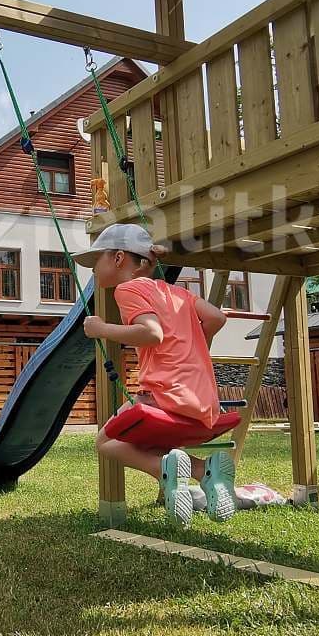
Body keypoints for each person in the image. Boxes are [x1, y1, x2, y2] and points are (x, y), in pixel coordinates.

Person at [77, 224, 237, 526]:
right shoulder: (177, 292)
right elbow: (217, 317)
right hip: (203, 403)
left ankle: (164, 471)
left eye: (96, 260)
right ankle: (204, 471)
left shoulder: (128, 289)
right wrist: (192, 348)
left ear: (119, 258)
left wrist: (102, 329)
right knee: (151, 443)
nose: (93, 269)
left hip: (163, 396)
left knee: (105, 442)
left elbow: (151, 333)